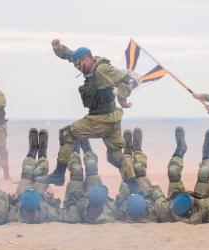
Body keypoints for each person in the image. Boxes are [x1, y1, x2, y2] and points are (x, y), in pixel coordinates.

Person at [37, 39, 141, 193]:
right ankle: (136, 189)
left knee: (66, 133)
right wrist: (59, 49)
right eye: (76, 66)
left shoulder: (102, 70)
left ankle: (59, 174)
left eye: (79, 64)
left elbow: (131, 78)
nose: (78, 68)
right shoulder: (90, 62)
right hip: (112, 119)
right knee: (115, 156)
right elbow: (71, 55)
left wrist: (123, 97)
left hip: (100, 119)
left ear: (87, 59)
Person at [154, 127, 209, 224]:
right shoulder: (200, 213)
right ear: (191, 210)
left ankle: (180, 148)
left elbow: (157, 199)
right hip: (200, 200)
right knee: (204, 173)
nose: (189, 196)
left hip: (176, 197)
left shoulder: (166, 210)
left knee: (173, 171)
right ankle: (207, 151)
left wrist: (152, 188)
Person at [9, 128, 60, 223]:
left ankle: (32, 149)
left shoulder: (16, 216)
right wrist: (52, 199)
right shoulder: (47, 213)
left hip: (23, 196)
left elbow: (8, 208)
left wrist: (11, 199)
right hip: (40, 196)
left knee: (27, 171)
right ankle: (42, 151)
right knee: (40, 172)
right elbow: (58, 212)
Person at [115, 127, 166, 222]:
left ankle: (127, 152)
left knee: (128, 175)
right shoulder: (152, 213)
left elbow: (118, 203)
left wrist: (126, 195)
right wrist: (150, 191)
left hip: (129, 193)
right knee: (139, 170)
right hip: (144, 193)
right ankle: (137, 149)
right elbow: (159, 197)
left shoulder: (124, 211)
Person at [61, 139, 116, 224]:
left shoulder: (104, 216)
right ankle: (87, 149)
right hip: (91, 196)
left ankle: (74, 149)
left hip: (76, 199)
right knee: (91, 166)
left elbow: (65, 211)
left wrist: (69, 202)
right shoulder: (109, 210)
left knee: (76, 170)